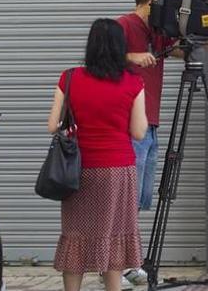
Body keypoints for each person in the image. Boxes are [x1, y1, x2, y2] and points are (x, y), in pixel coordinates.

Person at [48, 18, 148, 291]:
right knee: (114, 235)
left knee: (76, 234)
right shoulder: (133, 83)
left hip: (79, 170)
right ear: (120, 47)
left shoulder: (69, 77)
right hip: (118, 169)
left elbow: (52, 125)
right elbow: (139, 132)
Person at [116, 0, 180, 286]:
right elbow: (101, 57)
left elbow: (183, 51)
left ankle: (130, 261)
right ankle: (118, 264)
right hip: (127, 122)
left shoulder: (159, 30)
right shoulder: (124, 25)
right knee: (124, 196)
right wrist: (132, 56)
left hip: (150, 122)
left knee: (139, 197)